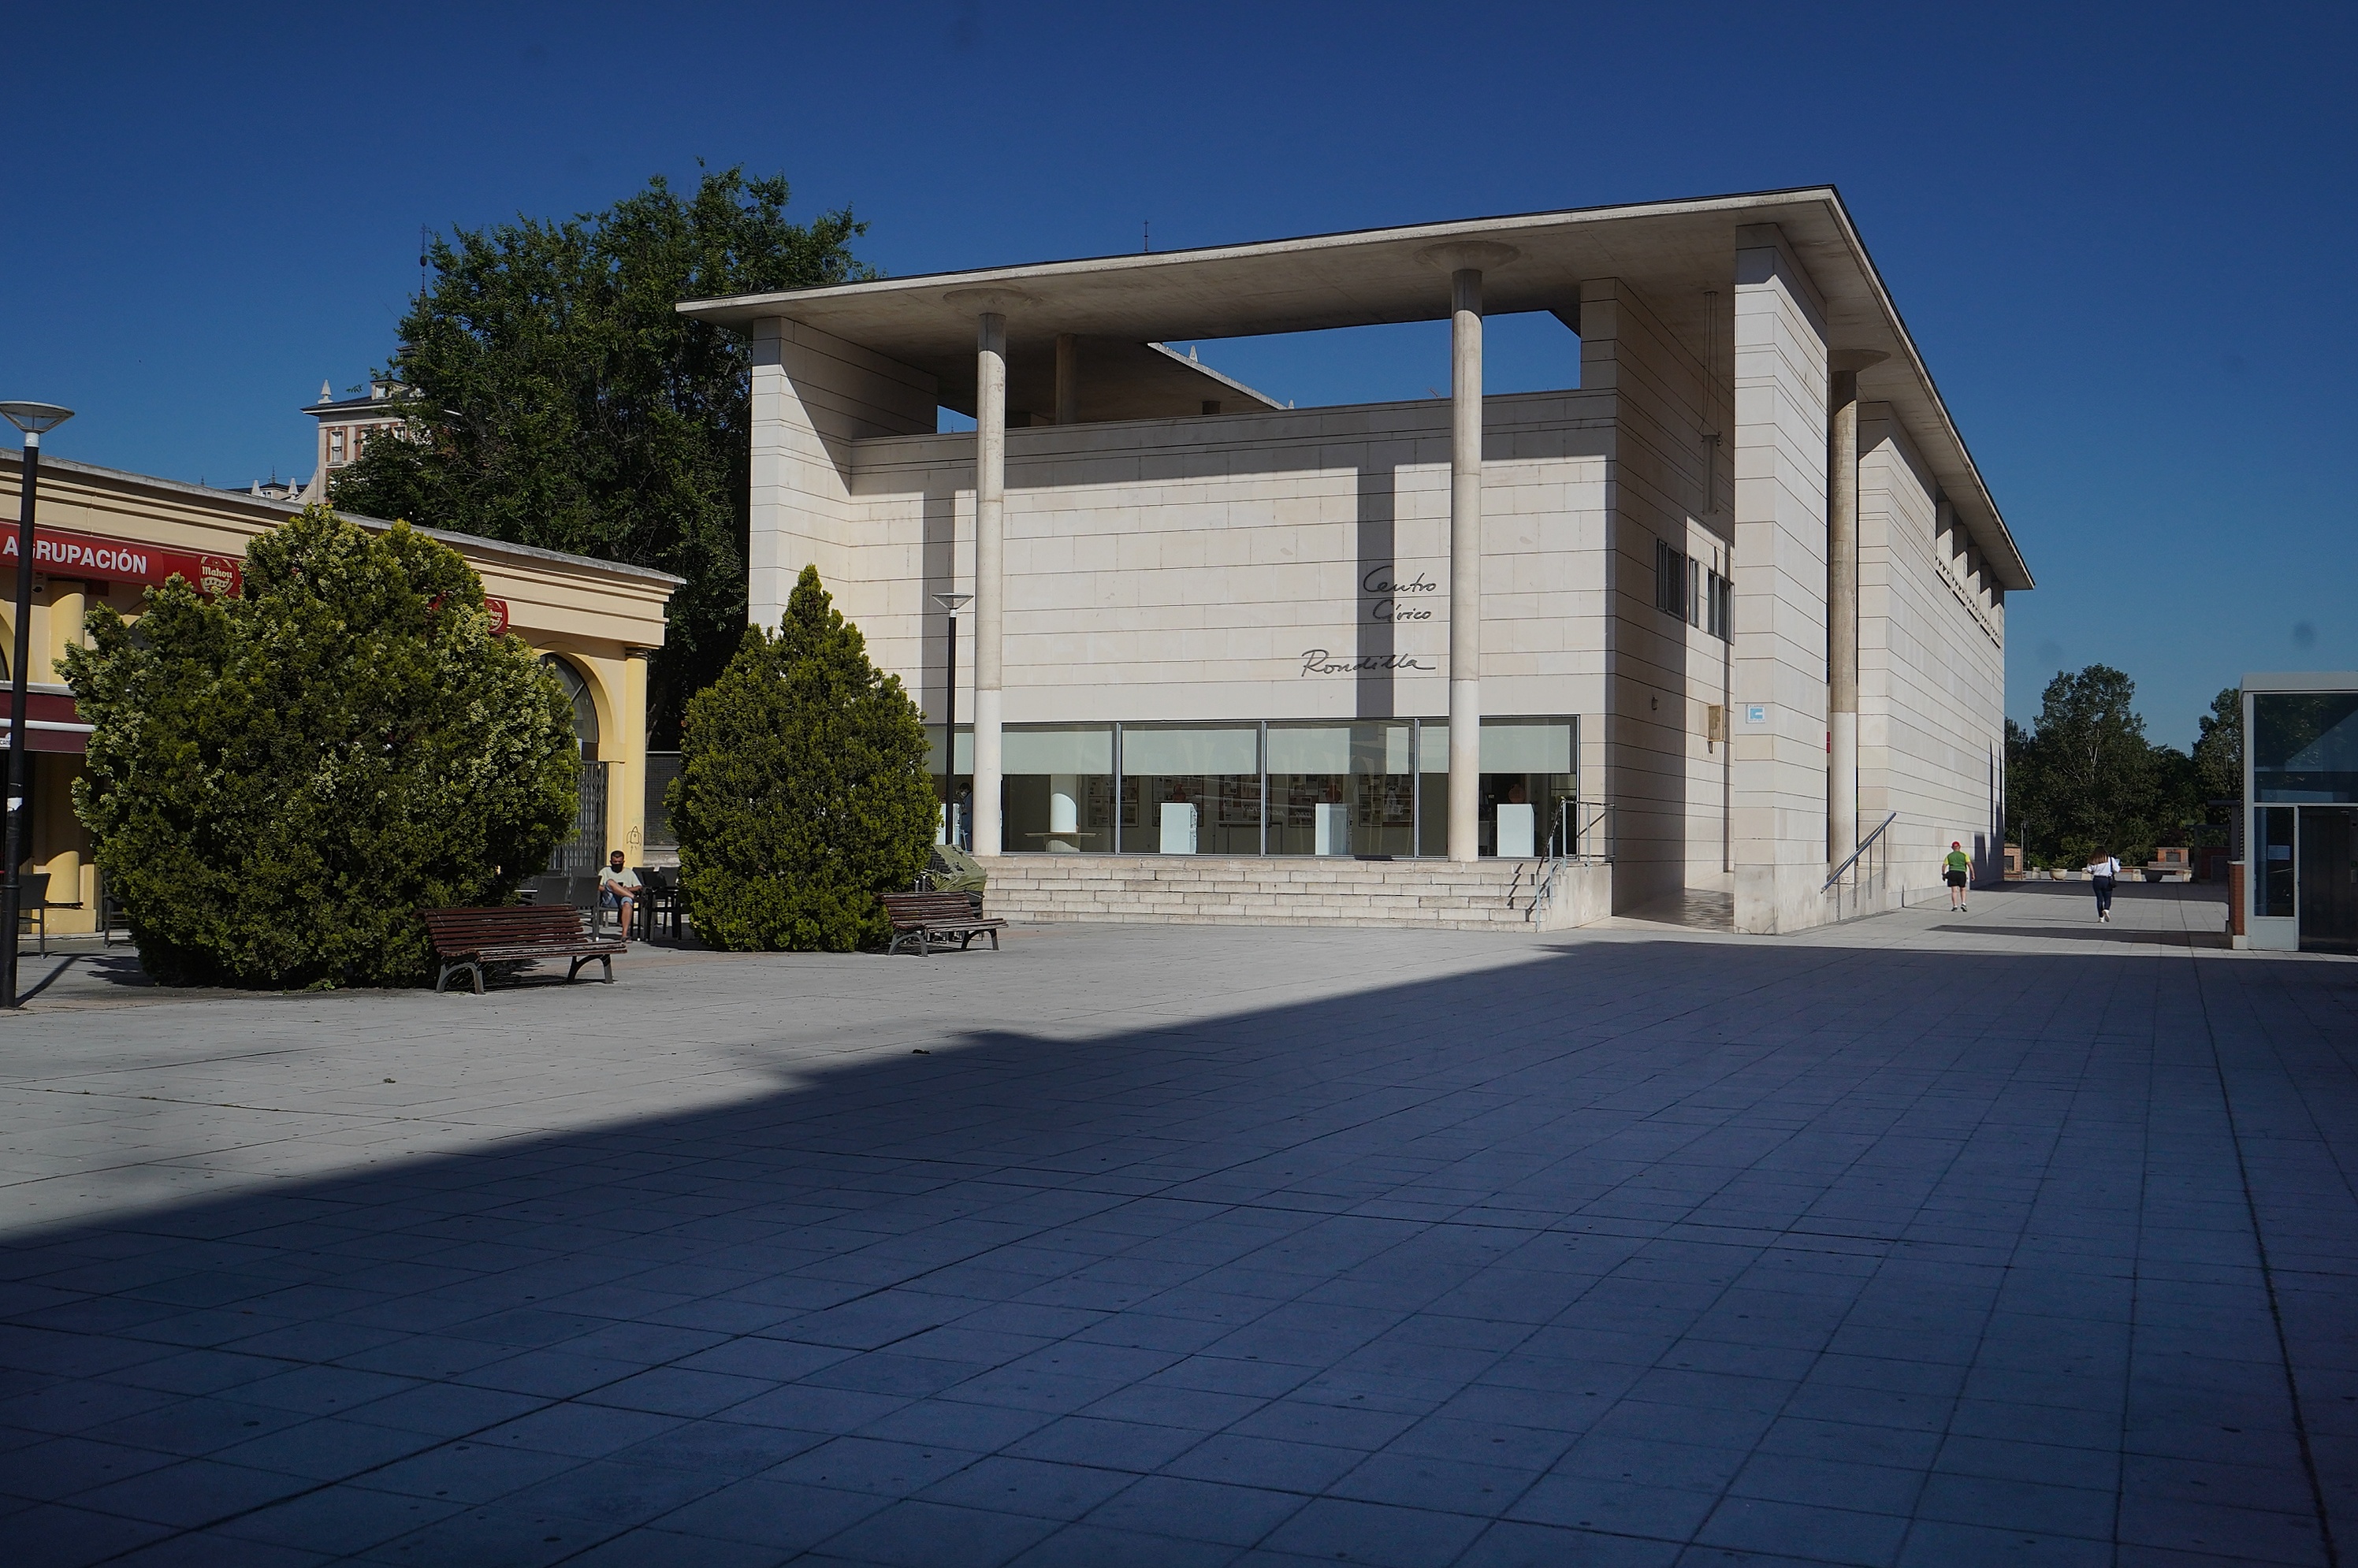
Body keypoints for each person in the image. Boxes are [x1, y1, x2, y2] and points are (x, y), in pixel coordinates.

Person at [598, 850, 641, 938]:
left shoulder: (629, 872)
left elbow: (639, 887)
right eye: (615, 862)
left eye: (619, 862)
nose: (617, 864)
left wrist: (626, 889)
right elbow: (597, 886)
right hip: (610, 898)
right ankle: (635, 897)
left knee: (628, 903)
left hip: (625, 897)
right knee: (610, 882)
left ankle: (624, 934)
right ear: (611, 862)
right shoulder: (605, 871)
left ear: (623, 862)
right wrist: (612, 888)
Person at [2086, 849, 2121, 923]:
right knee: (2107, 897)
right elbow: (2117, 869)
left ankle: (2101, 918)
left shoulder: (2093, 860)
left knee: (2099, 899)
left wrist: (2095, 871)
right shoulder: (2110, 859)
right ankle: (2106, 909)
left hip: (2097, 880)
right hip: (2107, 880)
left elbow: (2089, 870)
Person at [1943, 841, 1972, 912]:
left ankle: (1955, 906)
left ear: (1952, 848)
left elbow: (1944, 866)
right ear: (1959, 847)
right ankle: (1963, 904)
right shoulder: (1964, 855)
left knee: (1954, 891)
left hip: (1952, 873)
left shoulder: (1949, 856)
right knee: (1963, 889)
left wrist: (1943, 874)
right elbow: (1969, 864)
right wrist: (1973, 874)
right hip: (1961, 873)